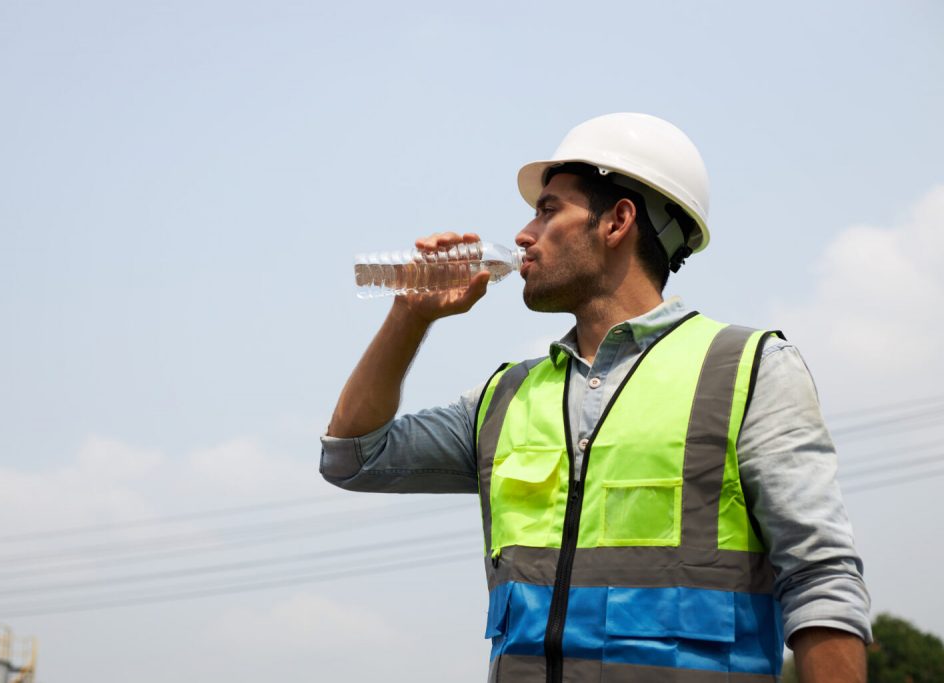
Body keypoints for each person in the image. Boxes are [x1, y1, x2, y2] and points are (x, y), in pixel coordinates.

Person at [320, 113, 871, 682]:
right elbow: (352, 455)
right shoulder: (506, 397)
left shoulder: (748, 370)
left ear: (618, 221)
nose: (523, 235)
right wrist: (409, 316)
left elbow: (820, 581)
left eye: (549, 209)